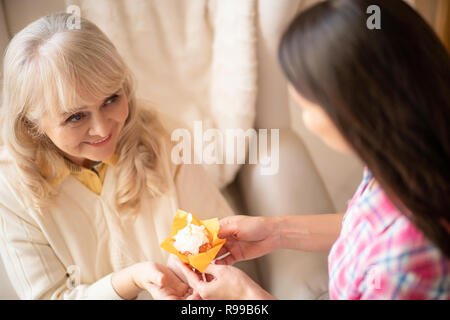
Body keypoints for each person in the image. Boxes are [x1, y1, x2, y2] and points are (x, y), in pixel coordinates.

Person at [169, 0, 450, 299]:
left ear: (353, 111)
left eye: (305, 105)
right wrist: (276, 231)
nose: (305, 118)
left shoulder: (405, 264)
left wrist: (246, 298)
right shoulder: (406, 155)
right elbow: (366, 227)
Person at [0, 12, 235, 300]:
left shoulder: (166, 137)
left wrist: (197, 281)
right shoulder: (9, 187)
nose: (102, 128)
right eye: (75, 117)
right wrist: (131, 280)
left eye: (111, 98)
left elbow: (215, 244)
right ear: (31, 123)